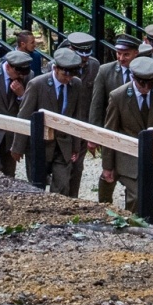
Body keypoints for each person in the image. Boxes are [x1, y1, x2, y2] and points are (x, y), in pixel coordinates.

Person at [101, 56, 153, 218]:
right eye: (142, 83)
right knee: (137, 195)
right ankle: (134, 226)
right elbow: (110, 133)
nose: (146, 88)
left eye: (151, 83)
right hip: (129, 156)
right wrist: (107, 166)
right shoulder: (118, 96)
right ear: (133, 78)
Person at [19, 47, 87, 193]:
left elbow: (76, 116)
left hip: (63, 144)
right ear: (55, 68)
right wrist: (18, 147)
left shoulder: (76, 84)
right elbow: (24, 116)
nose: (68, 78)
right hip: (39, 145)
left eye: (73, 73)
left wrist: (76, 146)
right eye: (65, 73)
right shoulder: (37, 84)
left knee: (62, 186)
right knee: (36, 187)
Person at [87, 31, 141, 205]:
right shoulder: (105, 71)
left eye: (126, 54)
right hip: (110, 129)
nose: (121, 58)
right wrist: (93, 135)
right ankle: (104, 203)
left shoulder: (145, 71)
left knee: (132, 173)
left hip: (134, 132)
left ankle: (130, 210)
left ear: (136, 53)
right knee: (109, 170)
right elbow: (96, 104)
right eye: (119, 53)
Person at [61, 31, 102, 197]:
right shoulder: (58, 65)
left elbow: (97, 99)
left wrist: (94, 128)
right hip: (62, 124)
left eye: (87, 54)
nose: (84, 58)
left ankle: (73, 199)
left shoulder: (94, 66)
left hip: (83, 123)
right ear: (71, 49)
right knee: (62, 165)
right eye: (80, 54)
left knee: (77, 166)